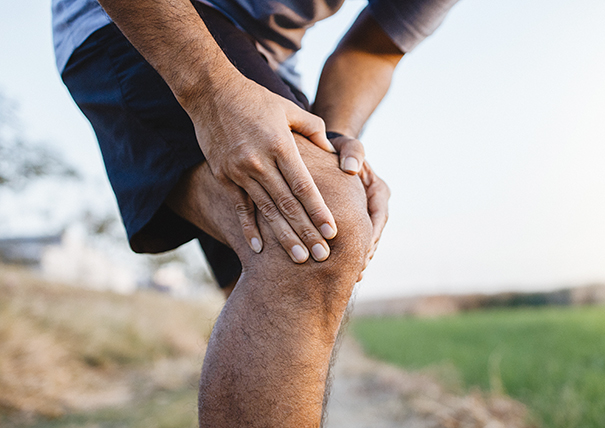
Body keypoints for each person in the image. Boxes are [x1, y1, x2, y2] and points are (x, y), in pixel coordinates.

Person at [53, 0, 459, 425]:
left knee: (284, 296)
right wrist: (210, 94)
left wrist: (338, 137)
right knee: (318, 233)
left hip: (269, 61)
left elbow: (373, 48)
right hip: (142, 18)